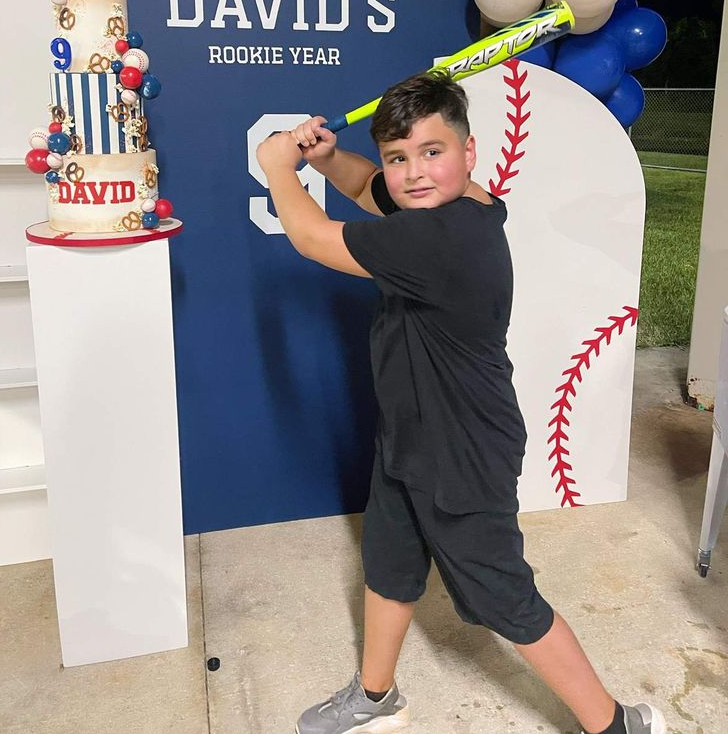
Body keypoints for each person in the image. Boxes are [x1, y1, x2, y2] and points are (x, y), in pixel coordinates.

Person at [255, 71, 665, 734]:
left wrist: (280, 169)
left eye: (431, 151)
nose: (412, 173)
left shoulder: (438, 241)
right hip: (409, 435)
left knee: (505, 596)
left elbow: (312, 237)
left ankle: (617, 724)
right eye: (398, 156)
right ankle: (375, 695)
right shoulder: (458, 204)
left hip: (463, 453)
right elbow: (365, 188)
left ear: (470, 151)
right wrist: (331, 160)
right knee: (389, 563)